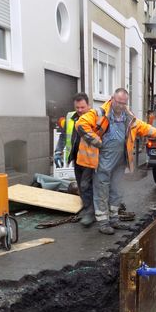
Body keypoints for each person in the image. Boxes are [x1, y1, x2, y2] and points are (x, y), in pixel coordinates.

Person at [75, 88, 156, 235]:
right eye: (118, 102)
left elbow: (145, 128)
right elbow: (81, 124)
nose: (120, 105)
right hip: (104, 159)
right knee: (101, 189)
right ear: (112, 99)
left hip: (120, 160)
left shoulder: (128, 117)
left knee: (116, 190)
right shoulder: (99, 113)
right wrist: (96, 141)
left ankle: (114, 219)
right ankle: (103, 222)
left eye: (123, 103)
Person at [54, 93, 96, 226]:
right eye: (77, 107)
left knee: (85, 185)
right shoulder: (70, 117)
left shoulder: (95, 118)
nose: (79, 110)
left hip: (90, 159)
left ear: (88, 105)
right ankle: (87, 209)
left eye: (82, 107)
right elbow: (63, 136)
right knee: (81, 186)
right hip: (76, 157)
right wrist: (58, 152)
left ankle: (90, 213)